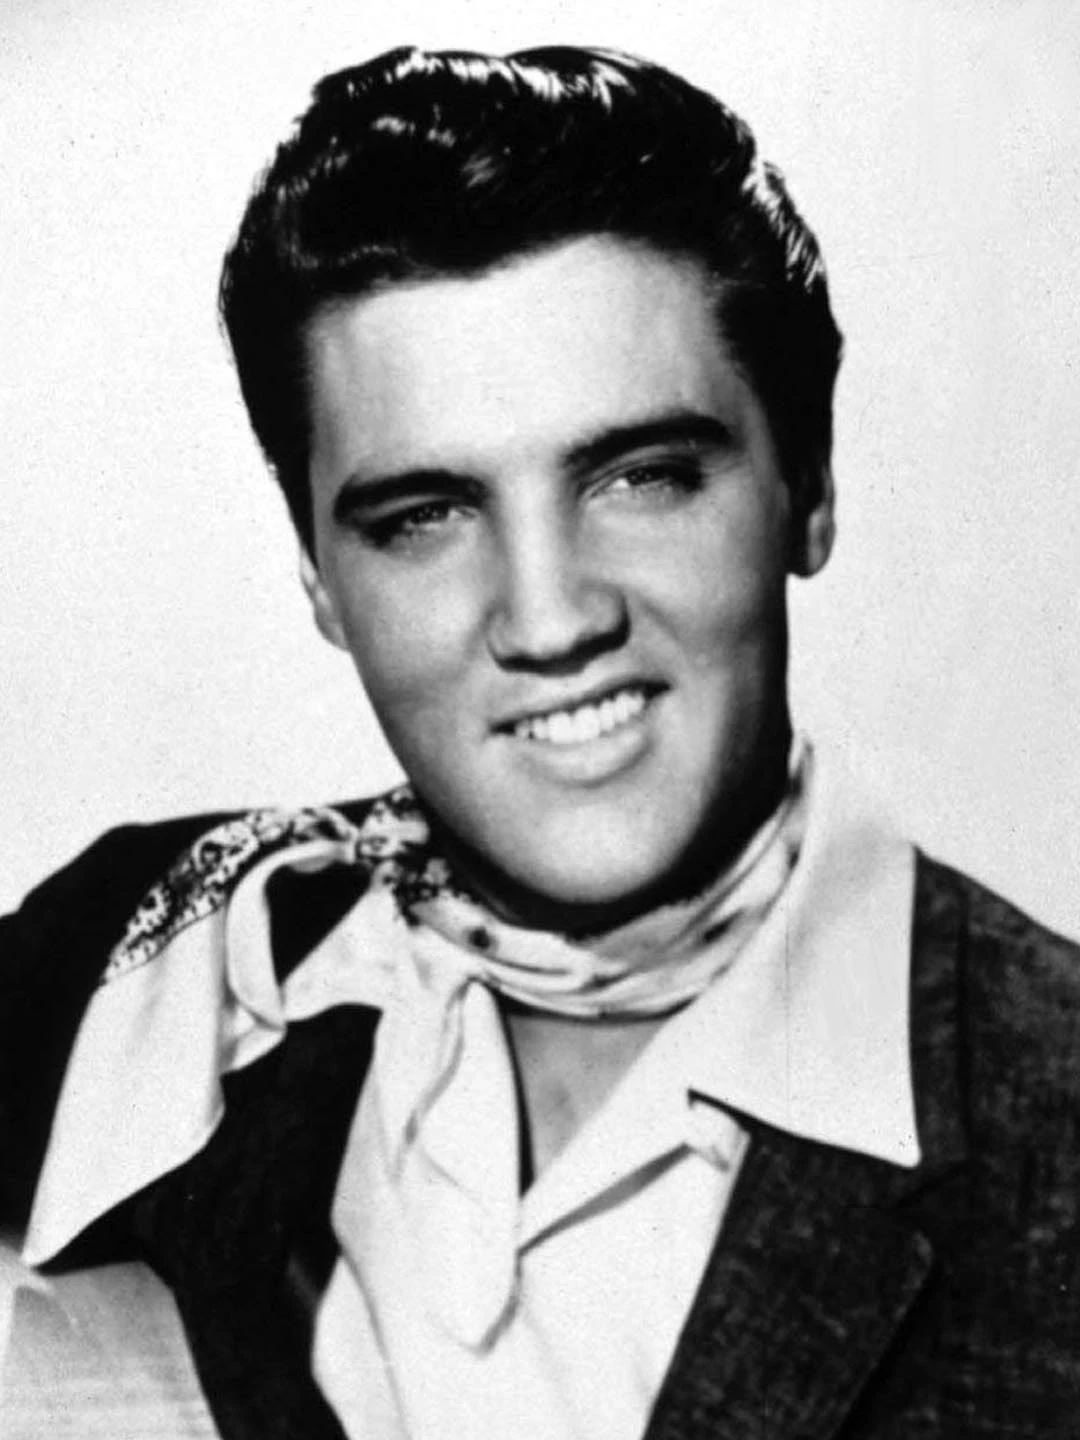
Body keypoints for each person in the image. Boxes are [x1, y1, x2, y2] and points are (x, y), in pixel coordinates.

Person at [1, 42, 1078, 1440]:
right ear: (319, 576)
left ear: (808, 484)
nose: (552, 616)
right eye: (424, 517)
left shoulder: (1050, 1118)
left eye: (643, 477)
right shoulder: (163, 958)